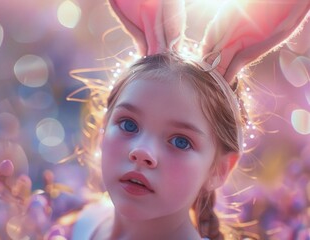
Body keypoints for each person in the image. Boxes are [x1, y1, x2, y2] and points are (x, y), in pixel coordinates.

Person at [45, 1, 310, 239]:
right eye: (128, 124)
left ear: (219, 169)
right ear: (103, 129)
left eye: (181, 141)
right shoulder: (84, 222)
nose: (142, 152)